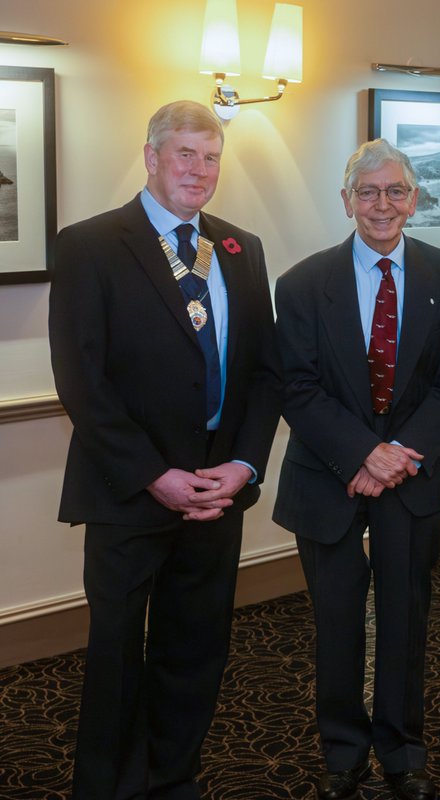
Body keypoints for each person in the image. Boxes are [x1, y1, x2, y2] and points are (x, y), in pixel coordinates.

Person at [48, 99, 282, 799]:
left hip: (216, 498)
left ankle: (173, 778)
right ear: (151, 157)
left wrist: (240, 468)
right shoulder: (90, 244)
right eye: (185, 154)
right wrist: (155, 475)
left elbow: (264, 372)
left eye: (211, 157)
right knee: (117, 658)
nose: (199, 170)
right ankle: (108, 788)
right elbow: (81, 381)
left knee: (195, 652)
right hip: (129, 496)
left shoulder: (240, 247)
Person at [272, 138, 440, 800]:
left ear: (413, 200)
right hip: (328, 475)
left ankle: (402, 748)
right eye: (368, 192)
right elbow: (297, 387)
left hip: (413, 477)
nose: (382, 205)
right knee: (335, 620)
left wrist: (399, 456)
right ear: (346, 201)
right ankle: (342, 751)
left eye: (395, 192)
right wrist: (363, 454)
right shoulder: (302, 283)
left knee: (405, 617)